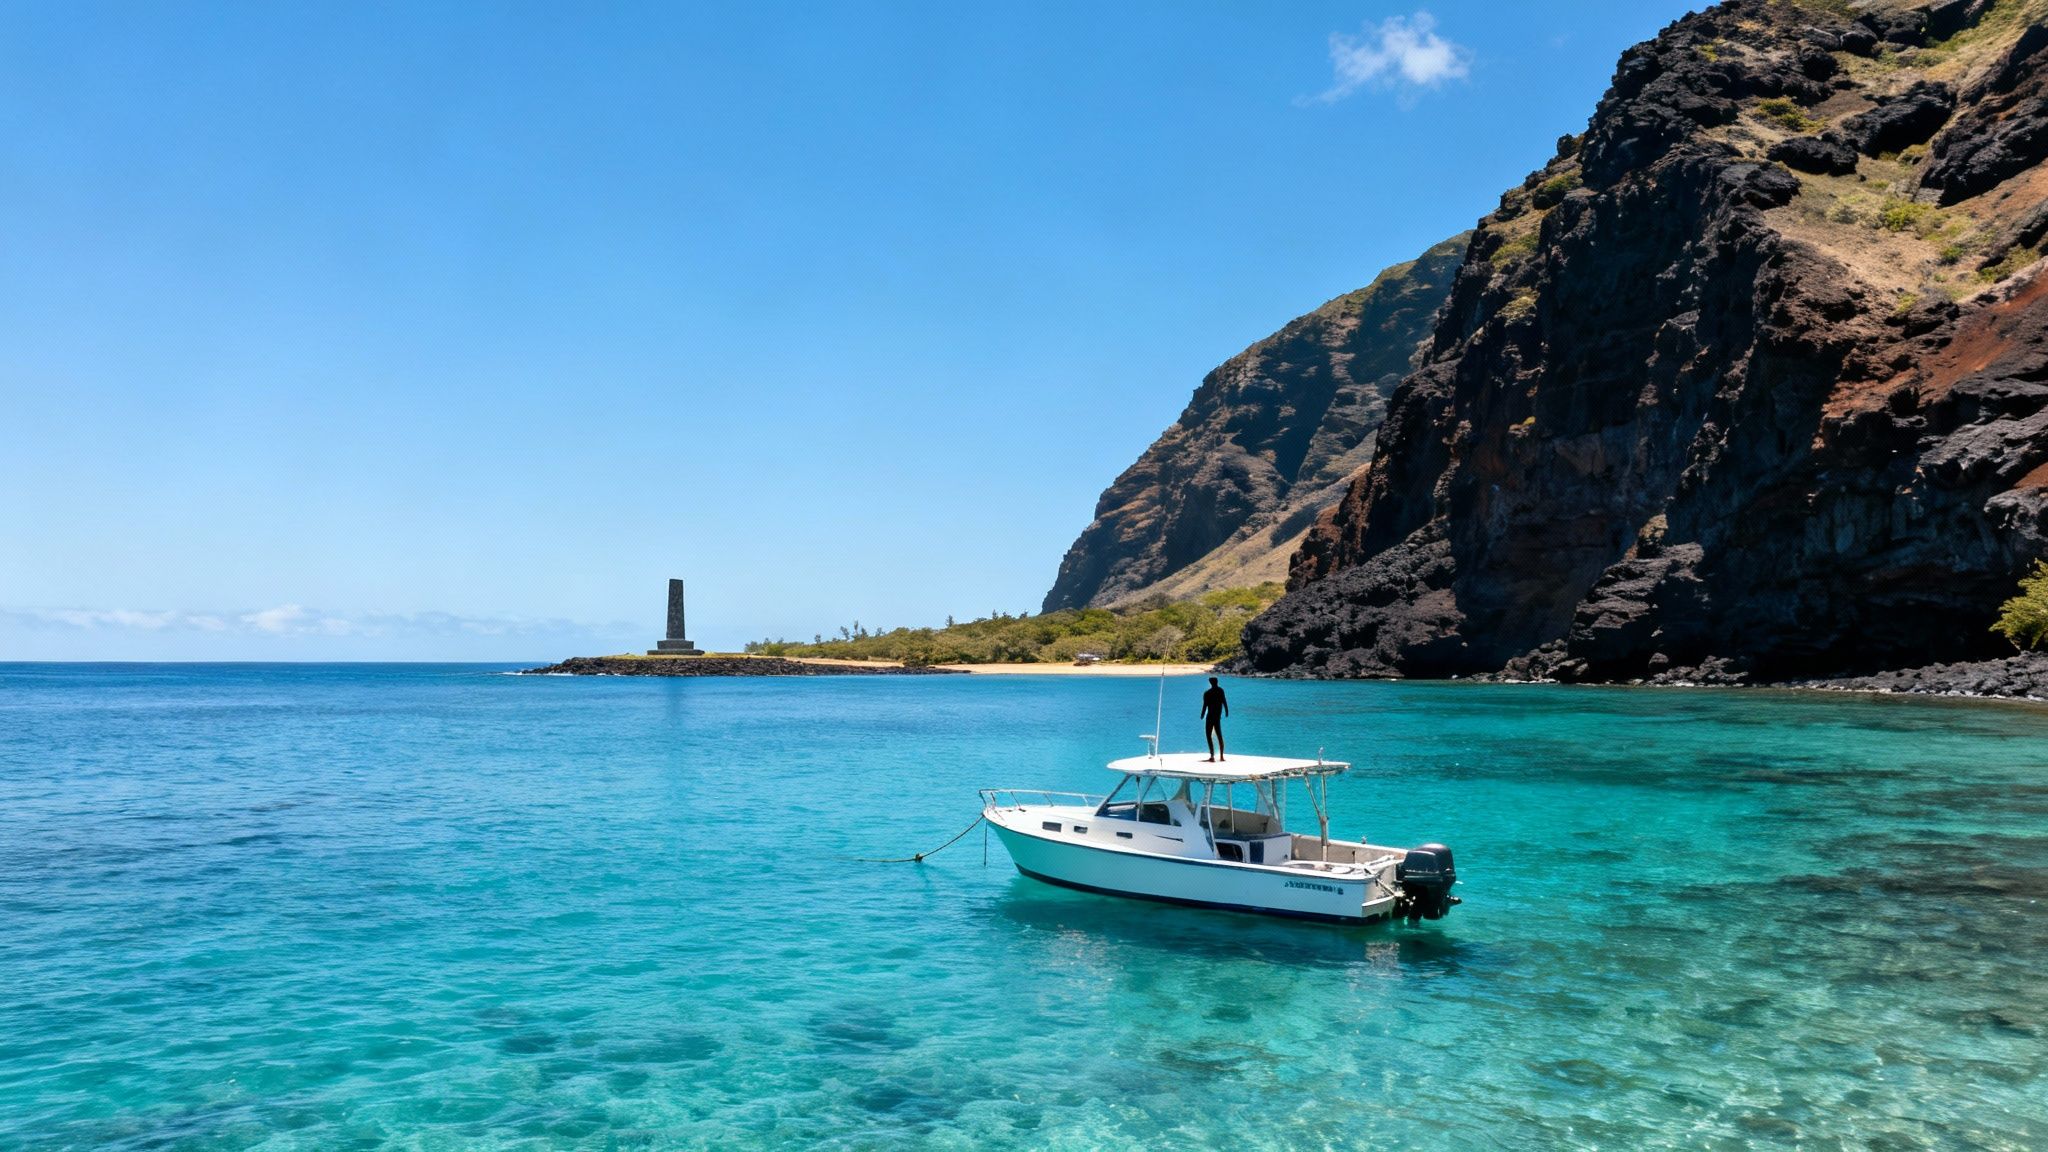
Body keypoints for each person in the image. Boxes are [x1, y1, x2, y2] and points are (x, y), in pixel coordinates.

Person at [1200, 676, 1229, 762]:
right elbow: (1224, 701)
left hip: (1210, 717)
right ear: (1216, 682)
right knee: (1219, 736)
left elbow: (1205, 706)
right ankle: (1220, 756)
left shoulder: (1207, 693)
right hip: (1216, 717)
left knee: (1209, 736)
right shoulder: (1220, 691)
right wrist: (1227, 711)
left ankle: (1213, 756)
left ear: (1210, 683)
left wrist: (1202, 715)